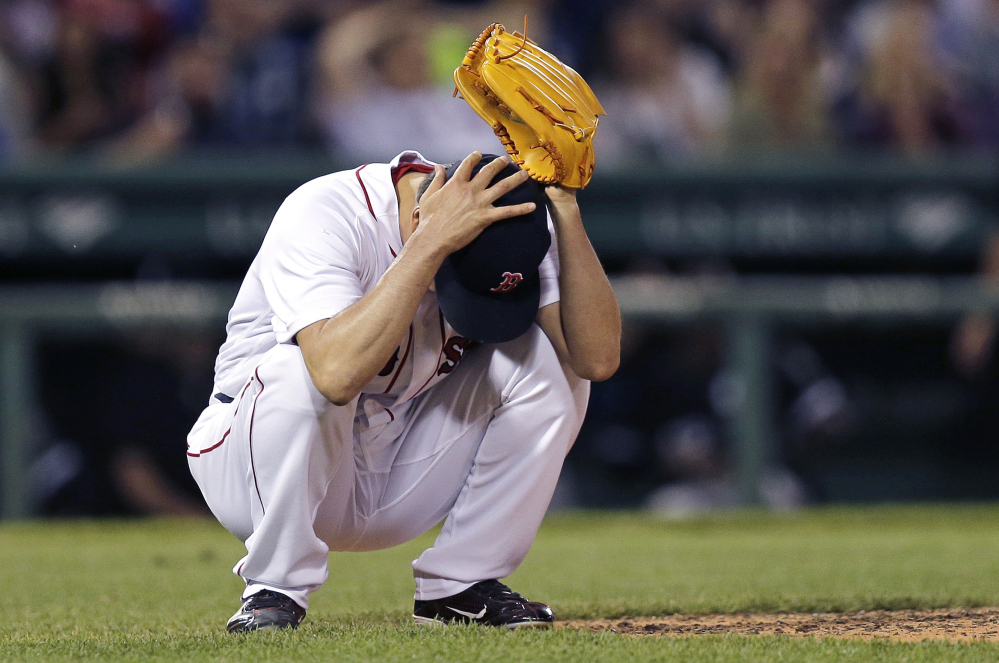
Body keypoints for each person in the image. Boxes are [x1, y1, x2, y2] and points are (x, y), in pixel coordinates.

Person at [186, 150, 621, 632]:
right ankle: (274, 589)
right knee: (300, 367)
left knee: (553, 360)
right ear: (417, 216)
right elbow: (334, 373)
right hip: (251, 471)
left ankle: (460, 586)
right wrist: (431, 243)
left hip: (391, 461)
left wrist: (565, 208)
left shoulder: (509, 222)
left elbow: (596, 358)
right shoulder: (327, 212)